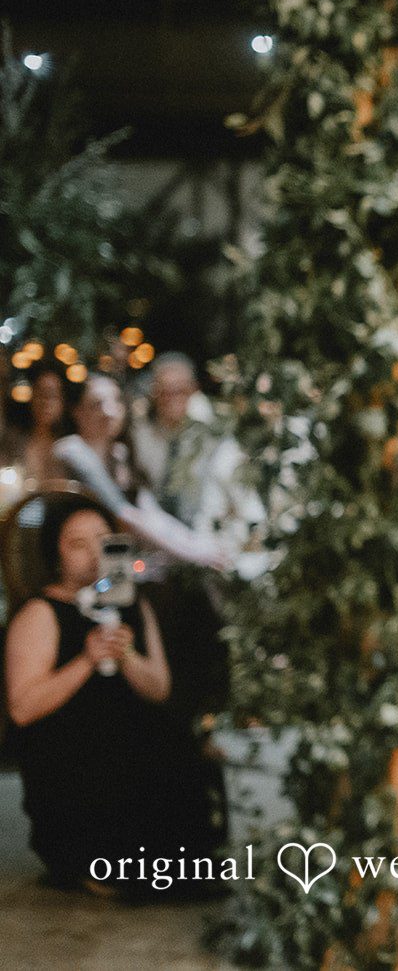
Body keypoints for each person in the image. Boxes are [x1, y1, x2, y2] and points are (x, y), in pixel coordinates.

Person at [4, 495, 223, 899]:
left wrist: (125, 656)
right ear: (56, 553)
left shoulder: (132, 604)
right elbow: (22, 708)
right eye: (77, 544)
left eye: (101, 541)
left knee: (180, 773)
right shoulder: (40, 613)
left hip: (132, 748)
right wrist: (87, 660)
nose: (92, 555)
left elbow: (159, 689)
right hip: (72, 763)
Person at [51, 373, 230, 570]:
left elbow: (149, 511)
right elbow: (124, 514)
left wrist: (198, 544)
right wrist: (196, 553)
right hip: (78, 563)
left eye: (116, 401)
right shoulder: (71, 450)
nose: (109, 411)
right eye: (97, 404)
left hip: (114, 561)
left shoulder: (118, 453)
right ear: (76, 411)